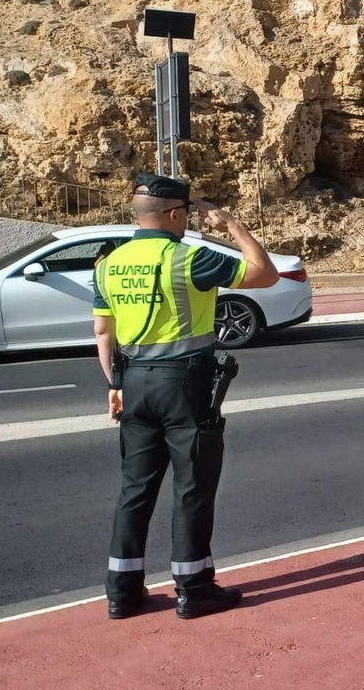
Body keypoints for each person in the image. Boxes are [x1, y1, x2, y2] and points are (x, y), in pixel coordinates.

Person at [91, 173, 279, 620]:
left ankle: (122, 592)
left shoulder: (109, 263)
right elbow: (265, 274)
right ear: (175, 214)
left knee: (135, 488)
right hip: (184, 384)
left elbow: (102, 331)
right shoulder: (187, 259)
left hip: (133, 381)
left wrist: (116, 384)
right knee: (191, 486)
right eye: (187, 215)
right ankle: (193, 588)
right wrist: (232, 225)